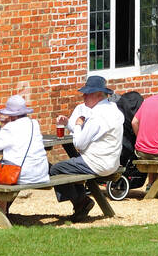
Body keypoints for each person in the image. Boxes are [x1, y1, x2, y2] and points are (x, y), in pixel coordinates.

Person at [51, 76, 124, 219]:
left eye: (87, 93)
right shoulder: (113, 109)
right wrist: (69, 123)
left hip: (97, 163)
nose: (83, 96)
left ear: (98, 94)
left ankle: (81, 202)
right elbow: (88, 135)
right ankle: (81, 202)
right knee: (71, 165)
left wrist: (77, 125)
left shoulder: (97, 116)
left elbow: (79, 143)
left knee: (55, 169)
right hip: (112, 162)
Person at [0, 95, 50, 185]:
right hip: (41, 174)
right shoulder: (34, 124)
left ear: (12, 116)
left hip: (21, 176)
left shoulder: (11, 127)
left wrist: (0, 128)